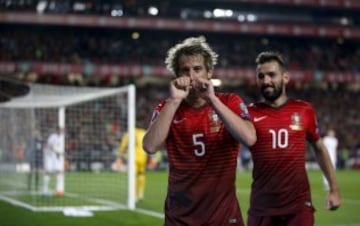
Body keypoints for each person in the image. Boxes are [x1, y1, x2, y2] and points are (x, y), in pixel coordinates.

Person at [142, 36, 256, 226]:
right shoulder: (167, 107)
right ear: (177, 75)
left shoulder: (230, 102)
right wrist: (175, 101)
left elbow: (250, 138)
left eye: (197, 69)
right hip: (180, 217)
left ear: (209, 72)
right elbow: (150, 146)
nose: (192, 76)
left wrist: (212, 100)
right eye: (185, 70)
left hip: (223, 217)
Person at [247, 51, 341, 226]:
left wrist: (334, 190)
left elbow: (319, 148)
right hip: (262, 208)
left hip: (298, 208)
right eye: (261, 76)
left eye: (272, 75)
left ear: (286, 77)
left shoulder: (304, 110)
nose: (266, 81)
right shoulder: (248, 113)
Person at [117, 126, 148, 202]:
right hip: (143, 156)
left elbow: (123, 146)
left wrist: (120, 155)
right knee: (141, 174)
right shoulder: (144, 133)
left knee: (133, 175)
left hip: (133, 157)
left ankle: (133, 195)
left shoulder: (129, 133)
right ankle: (140, 194)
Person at [43, 126, 65, 196]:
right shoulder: (53, 136)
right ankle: (44, 189)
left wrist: (59, 152)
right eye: (60, 130)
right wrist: (58, 151)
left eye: (62, 130)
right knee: (48, 172)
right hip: (49, 156)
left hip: (54, 157)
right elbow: (49, 145)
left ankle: (58, 190)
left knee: (59, 172)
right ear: (57, 130)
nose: (62, 131)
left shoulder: (60, 138)